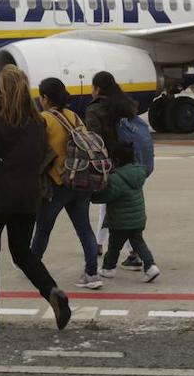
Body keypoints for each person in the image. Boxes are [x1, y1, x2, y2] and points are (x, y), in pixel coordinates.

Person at [0, 64, 71, 330]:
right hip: (27, 196)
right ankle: (51, 291)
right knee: (22, 252)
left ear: (1, 88)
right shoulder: (36, 120)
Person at [30, 77, 102, 290]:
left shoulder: (44, 119)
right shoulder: (75, 116)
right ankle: (92, 273)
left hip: (57, 183)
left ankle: (32, 266)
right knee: (84, 228)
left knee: (43, 227)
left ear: (45, 98)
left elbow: (37, 150)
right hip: (80, 181)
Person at [84, 71, 143, 267]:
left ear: (97, 89)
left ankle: (136, 251)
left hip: (109, 163)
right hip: (128, 159)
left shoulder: (95, 110)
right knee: (111, 205)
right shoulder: (125, 105)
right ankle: (100, 242)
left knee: (116, 208)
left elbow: (94, 140)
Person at [91, 143, 160, 282]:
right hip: (137, 219)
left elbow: (106, 196)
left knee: (114, 246)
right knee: (139, 243)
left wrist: (92, 196)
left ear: (116, 161)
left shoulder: (115, 178)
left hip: (120, 222)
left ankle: (108, 268)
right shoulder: (137, 173)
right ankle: (151, 266)